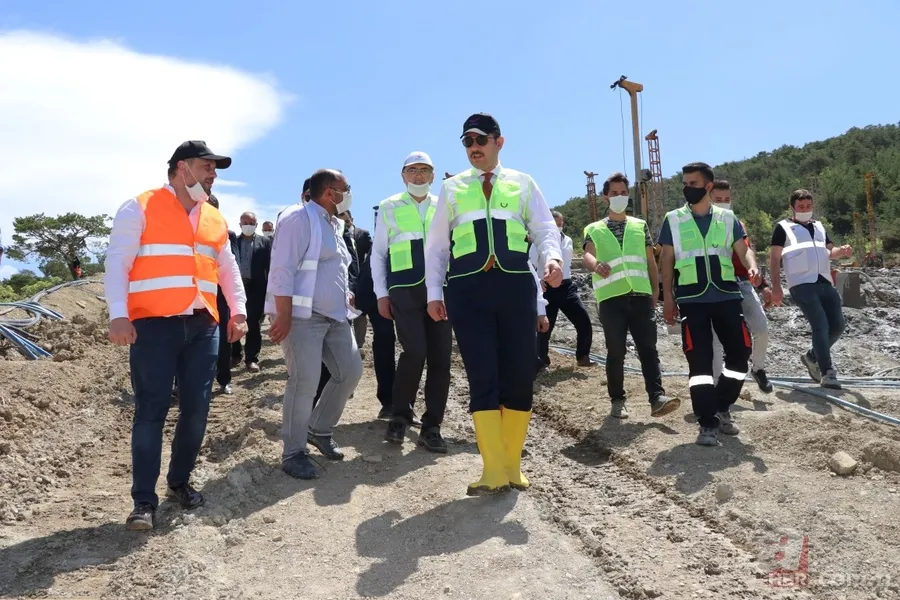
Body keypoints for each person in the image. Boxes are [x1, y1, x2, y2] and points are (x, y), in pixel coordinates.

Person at [105, 140, 248, 530]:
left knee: (197, 410)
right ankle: (143, 502)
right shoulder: (140, 207)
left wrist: (238, 311)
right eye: (206, 167)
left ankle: (179, 481)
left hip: (203, 327)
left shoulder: (214, 218)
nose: (213, 175)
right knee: (151, 411)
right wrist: (118, 315)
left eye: (214, 169)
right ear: (182, 168)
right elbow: (117, 263)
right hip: (153, 327)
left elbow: (228, 269)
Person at [425, 113, 564, 495]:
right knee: (482, 374)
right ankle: (492, 470)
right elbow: (437, 246)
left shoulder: (523, 183)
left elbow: (544, 229)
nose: (474, 148)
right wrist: (434, 293)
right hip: (467, 291)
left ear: (498, 142)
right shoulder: (452, 188)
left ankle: (511, 466)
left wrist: (552, 259)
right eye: (467, 142)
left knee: (519, 374)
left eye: (480, 140)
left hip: (515, 286)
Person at [266, 169, 363, 479]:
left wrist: (344, 293)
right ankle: (293, 452)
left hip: (335, 317)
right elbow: (282, 268)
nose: (349, 194)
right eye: (346, 188)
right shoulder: (298, 218)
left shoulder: (334, 224)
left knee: (350, 371)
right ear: (329, 193)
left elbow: (335, 266)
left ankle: (318, 429)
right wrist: (283, 314)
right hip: (302, 317)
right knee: (305, 380)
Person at [659, 162, 757, 447]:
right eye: (685, 183)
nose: (687, 188)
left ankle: (722, 404)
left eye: (693, 183)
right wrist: (668, 299)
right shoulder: (673, 219)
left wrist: (752, 267)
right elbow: (667, 261)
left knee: (740, 354)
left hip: (726, 296)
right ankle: (707, 422)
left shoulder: (728, 218)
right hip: (692, 300)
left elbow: (744, 250)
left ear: (708, 186)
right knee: (699, 363)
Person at [582, 172, 678, 419]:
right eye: (614, 193)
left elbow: (650, 261)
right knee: (616, 352)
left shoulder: (639, 225)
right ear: (606, 197)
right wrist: (595, 265)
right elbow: (588, 254)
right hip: (611, 299)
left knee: (648, 349)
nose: (620, 196)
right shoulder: (594, 229)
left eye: (623, 192)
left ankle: (657, 398)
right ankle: (617, 400)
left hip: (640, 296)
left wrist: (655, 291)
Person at [375, 151, 453, 453]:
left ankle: (432, 426)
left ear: (432, 175)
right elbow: (379, 254)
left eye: (424, 170)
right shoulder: (389, 206)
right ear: (403, 175)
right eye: (412, 170)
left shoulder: (444, 205)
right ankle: (400, 414)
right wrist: (382, 293)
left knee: (440, 358)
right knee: (415, 351)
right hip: (404, 289)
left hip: (440, 289)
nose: (418, 176)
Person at [769, 189, 852, 390]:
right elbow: (774, 259)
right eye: (801, 206)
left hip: (824, 281)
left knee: (838, 326)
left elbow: (830, 252)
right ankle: (827, 372)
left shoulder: (819, 226)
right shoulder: (783, 228)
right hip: (801, 284)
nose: (805, 209)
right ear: (792, 207)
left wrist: (842, 251)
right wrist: (776, 287)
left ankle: (812, 356)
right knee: (820, 326)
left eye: (808, 206)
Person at [708, 180, 773, 393]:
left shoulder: (738, 224)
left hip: (741, 283)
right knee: (716, 339)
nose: (723, 203)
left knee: (761, 328)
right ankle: (716, 384)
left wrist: (763, 285)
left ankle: (758, 368)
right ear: (709, 199)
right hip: (716, 285)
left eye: (727, 199)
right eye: (718, 199)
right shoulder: (701, 225)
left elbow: (746, 253)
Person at [532, 210, 594, 368]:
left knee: (583, 321)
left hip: (566, 287)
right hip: (547, 287)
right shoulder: (538, 242)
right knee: (545, 327)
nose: (560, 226)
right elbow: (531, 264)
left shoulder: (568, 240)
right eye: (556, 224)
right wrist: (538, 281)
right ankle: (541, 361)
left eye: (561, 224)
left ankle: (583, 356)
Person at [352, 205, 398, 418]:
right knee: (384, 343)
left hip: (408, 296)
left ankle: (399, 401)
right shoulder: (377, 243)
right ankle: (388, 401)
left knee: (406, 348)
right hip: (374, 297)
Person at [313, 209, 361, 406]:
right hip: (314, 308)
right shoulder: (311, 227)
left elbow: (353, 267)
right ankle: (314, 406)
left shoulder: (346, 235)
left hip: (341, 305)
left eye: (344, 218)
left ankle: (329, 398)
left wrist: (351, 291)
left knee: (340, 359)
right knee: (316, 360)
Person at [230, 211, 271, 373]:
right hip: (237, 287)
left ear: (256, 224)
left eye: (251, 223)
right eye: (245, 223)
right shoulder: (233, 241)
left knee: (254, 324)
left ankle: (252, 359)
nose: (248, 226)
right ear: (240, 224)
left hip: (256, 288)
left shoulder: (265, 242)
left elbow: (269, 266)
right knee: (235, 320)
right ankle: (235, 354)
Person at [206, 194, 235, 394]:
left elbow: (232, 266)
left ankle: (224, 379)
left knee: (223, 337)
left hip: (220, 293)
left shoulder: (227, 233)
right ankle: (180, 384)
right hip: (195, 294)